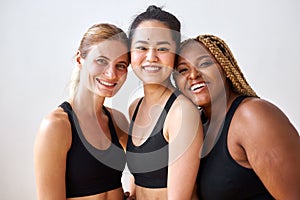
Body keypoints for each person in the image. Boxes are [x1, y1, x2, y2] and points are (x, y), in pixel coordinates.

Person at [173, 34, 300, 199]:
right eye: (183, 70)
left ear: (225, 68)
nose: (193, 75)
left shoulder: (253, 115)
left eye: (204, 63)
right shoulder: (196, 127)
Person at [34, 23, 130, 200]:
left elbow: (145, 164)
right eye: (101, 61)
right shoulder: (57, 125)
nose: (111, 74)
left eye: (121, 65)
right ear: (80, 60)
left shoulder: (116, 120)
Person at [125, 5, 203, 200]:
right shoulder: (135, 107)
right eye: (142, 47)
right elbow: (140, 177)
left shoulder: (181, 113)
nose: (151, 57)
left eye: (162, 48)